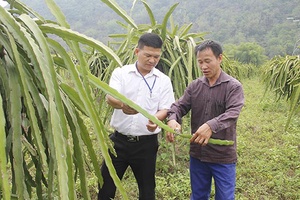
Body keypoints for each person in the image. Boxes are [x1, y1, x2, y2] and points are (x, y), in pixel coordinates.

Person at [98, 33, 175, 200]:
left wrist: (156, 119)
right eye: (148, 55)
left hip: (146, 145)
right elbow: (110, 97)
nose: (152, 60)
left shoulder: (163, 80)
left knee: (147, 190)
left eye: (156, 56)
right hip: (118, 142)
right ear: (136, 52)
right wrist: (122, 105)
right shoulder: (121, 73)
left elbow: (166, 108)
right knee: (106, 186)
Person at [166, 40, 244, 200]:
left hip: (223, 156)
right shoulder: (195, 86)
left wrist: (211, 125)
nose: (203, 66)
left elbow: (233, 113)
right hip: (198, 154)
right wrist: (173, 119)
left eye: (207, 61)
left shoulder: (233, 86)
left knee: (225, 197)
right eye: (200, 62)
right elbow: (178, 106)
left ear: (220, 58)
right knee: (198, 196)